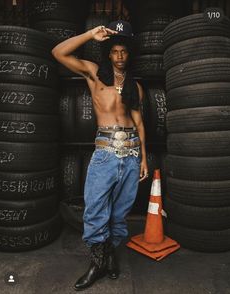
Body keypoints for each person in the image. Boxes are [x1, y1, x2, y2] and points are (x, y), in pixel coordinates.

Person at [52, 20, 149, 291]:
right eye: (115, 51)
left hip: (130, 154)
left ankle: (108, 257)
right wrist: (89, 34)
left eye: (124, 52)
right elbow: (58, 53)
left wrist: (143, 158)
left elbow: (139, 123)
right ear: (109, 53)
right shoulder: (95, 74)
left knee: (119, 214)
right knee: (95, 210)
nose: (119, 56)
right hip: (105, 152)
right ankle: (97, 264)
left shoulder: (135, 86)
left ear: (129, 55)